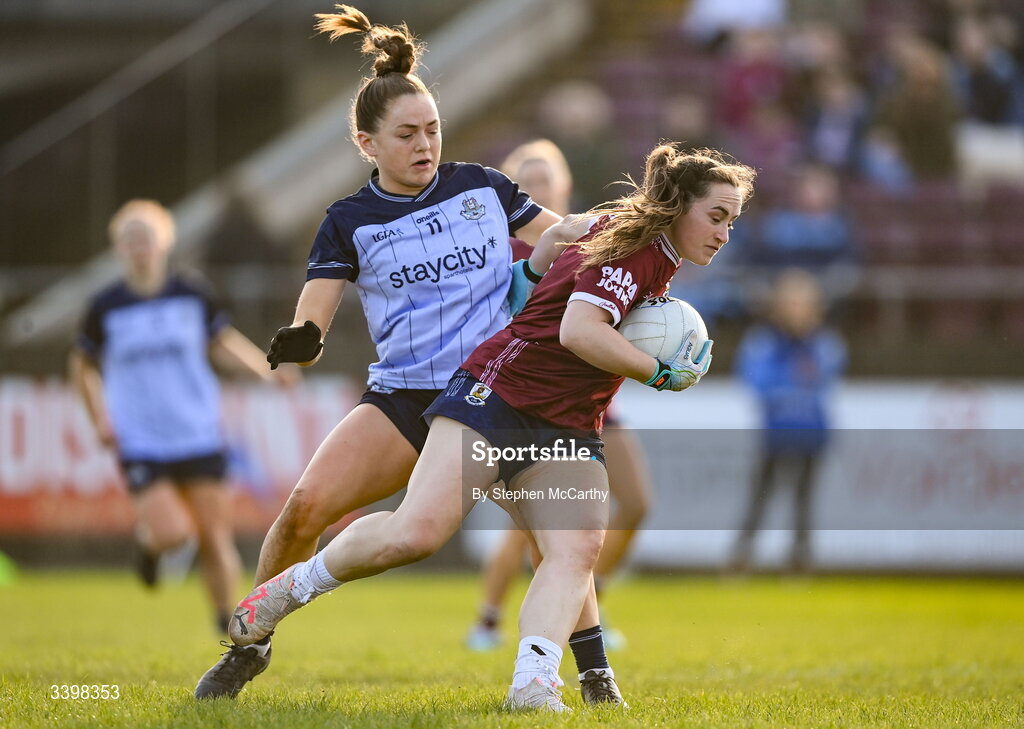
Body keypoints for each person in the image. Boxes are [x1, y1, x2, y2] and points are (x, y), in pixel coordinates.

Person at [226, 144, 755, 711]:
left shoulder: (636, 239)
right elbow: (579, 330)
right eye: (716, 216)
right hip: (498, 396)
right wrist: (659, 371)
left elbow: (553, 243)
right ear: (678, 206)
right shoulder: (641, 251)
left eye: (732, 220)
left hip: (566, 421)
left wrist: (542, 273)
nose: (724, 233)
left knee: (576, 547)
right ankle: (289, 589)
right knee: (416, 534)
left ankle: (534, 683)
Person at [194, 5, 570, 699]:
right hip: (404, 397)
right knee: (304, 509)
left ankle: (592, 674)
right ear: (367, 142)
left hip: (492, 393)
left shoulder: (482, 187)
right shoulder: (348, 221)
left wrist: (636, 229)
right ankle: (252, 640)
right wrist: (298, 342)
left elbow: (566, 238)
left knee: (564, 540)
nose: (424, 144)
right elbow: (315, 313)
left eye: (432, 129)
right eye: (406, 134)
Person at [466, 139, 654, 654]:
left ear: (565, 186)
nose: (539, 188)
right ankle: (488, 620)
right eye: (527, 182)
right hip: (529, 399)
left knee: (636, 504)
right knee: (536, 529)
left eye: (547, 178)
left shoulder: (597, 243)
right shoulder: (509, 250)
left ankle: (592, 601)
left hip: (594, 400)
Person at [69, 199, 285, 632]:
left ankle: (230, 626)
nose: (138, 247)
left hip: (198, 431)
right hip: (141, 438)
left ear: (163, 242)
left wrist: (265, 371)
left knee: (213, 534)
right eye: (129, 240)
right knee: (173, 534)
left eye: (145, 237)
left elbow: (220, 343)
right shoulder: (105, 307)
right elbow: (82, 365)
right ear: (119, 249)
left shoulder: (191, 293)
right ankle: (151, 548)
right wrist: (99, 419)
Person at [728, 269, 846, 574]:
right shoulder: (764, 343)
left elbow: (827, 374)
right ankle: (742, 560)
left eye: (803, 303)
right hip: (776, 434)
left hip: (811, 433)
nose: (797, 310)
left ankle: (800, 563)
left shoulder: (824, 343)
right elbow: (755, 380)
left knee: (804, 502)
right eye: (791, 303)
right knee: (760, 498)